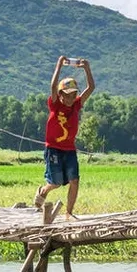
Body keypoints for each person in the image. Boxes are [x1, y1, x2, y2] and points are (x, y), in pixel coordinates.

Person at [34, 55, 95, 215]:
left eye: (73, 95)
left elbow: (91, 88)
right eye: (66, 95)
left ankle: (69, 213)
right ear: (60, 94)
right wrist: (59, 65)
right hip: (53, 148)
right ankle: (43, 191)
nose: (69, 98)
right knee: (56, 182)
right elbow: (53, 85)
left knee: (74, 180)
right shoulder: (55, 104)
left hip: (69, 149)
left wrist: (87, 68)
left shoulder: (76, 106)